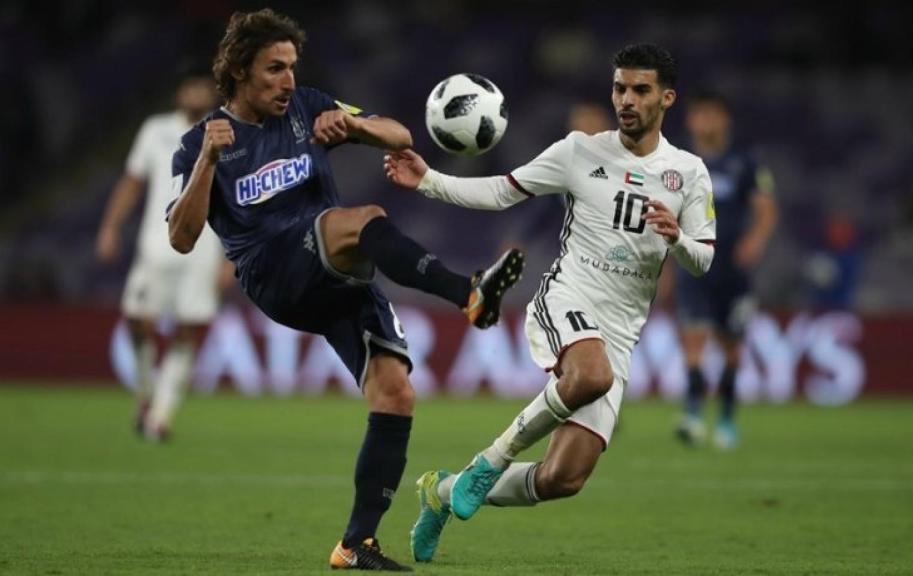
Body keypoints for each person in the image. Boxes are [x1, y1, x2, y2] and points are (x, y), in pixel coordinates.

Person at [166, 9, 524, 571]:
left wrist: (354, 127)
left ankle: (356, 544)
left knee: (395, 394)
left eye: (292, 67)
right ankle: (467, 292)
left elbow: (400, 136)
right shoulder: (199, 144)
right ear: (238, 70)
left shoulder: (307, 105)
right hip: (274, 270)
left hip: (335, 271)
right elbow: (181, 238)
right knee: (363, 219)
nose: (288, 80)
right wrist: (209, 161)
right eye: (274, 68)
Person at [384, 44, 716, 563]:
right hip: (567, 297)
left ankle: (443, 491)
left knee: (564, 478)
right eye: (620, 88)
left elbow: (704, 259)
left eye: (640, 90)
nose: (626, 100)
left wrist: (677, 238)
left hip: (621, 330)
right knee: (591, 375)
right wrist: (428, 181)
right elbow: (503, 191)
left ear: (666, 98)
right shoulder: (579, 151)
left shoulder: (688, 172)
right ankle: (490, 461)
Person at [95, 70, 231, 442]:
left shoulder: (228, 132)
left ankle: (161, 415)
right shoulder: (155, 130)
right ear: (179, 92)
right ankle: (146, 392)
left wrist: (230, 259)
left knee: (188, 330)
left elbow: (238, 199)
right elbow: (132, 183)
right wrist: (110, 227)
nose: (196, 94)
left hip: (203, 252)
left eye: (203, 88)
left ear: (214, 94)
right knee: (137, 320)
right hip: (155, 249)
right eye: (191, 87)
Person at [673, 90, 777, 449]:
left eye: (712, 114)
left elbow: (766, 209)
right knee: (693, 339)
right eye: (700, 115)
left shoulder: (745, 163)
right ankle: (692, 414)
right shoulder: (677, 161)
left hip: (731, 269)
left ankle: (727, 420)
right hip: (692, 265)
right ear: (691, 121)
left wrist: (756, 240)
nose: (706, 122)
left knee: (731, 346)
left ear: (725, 119)